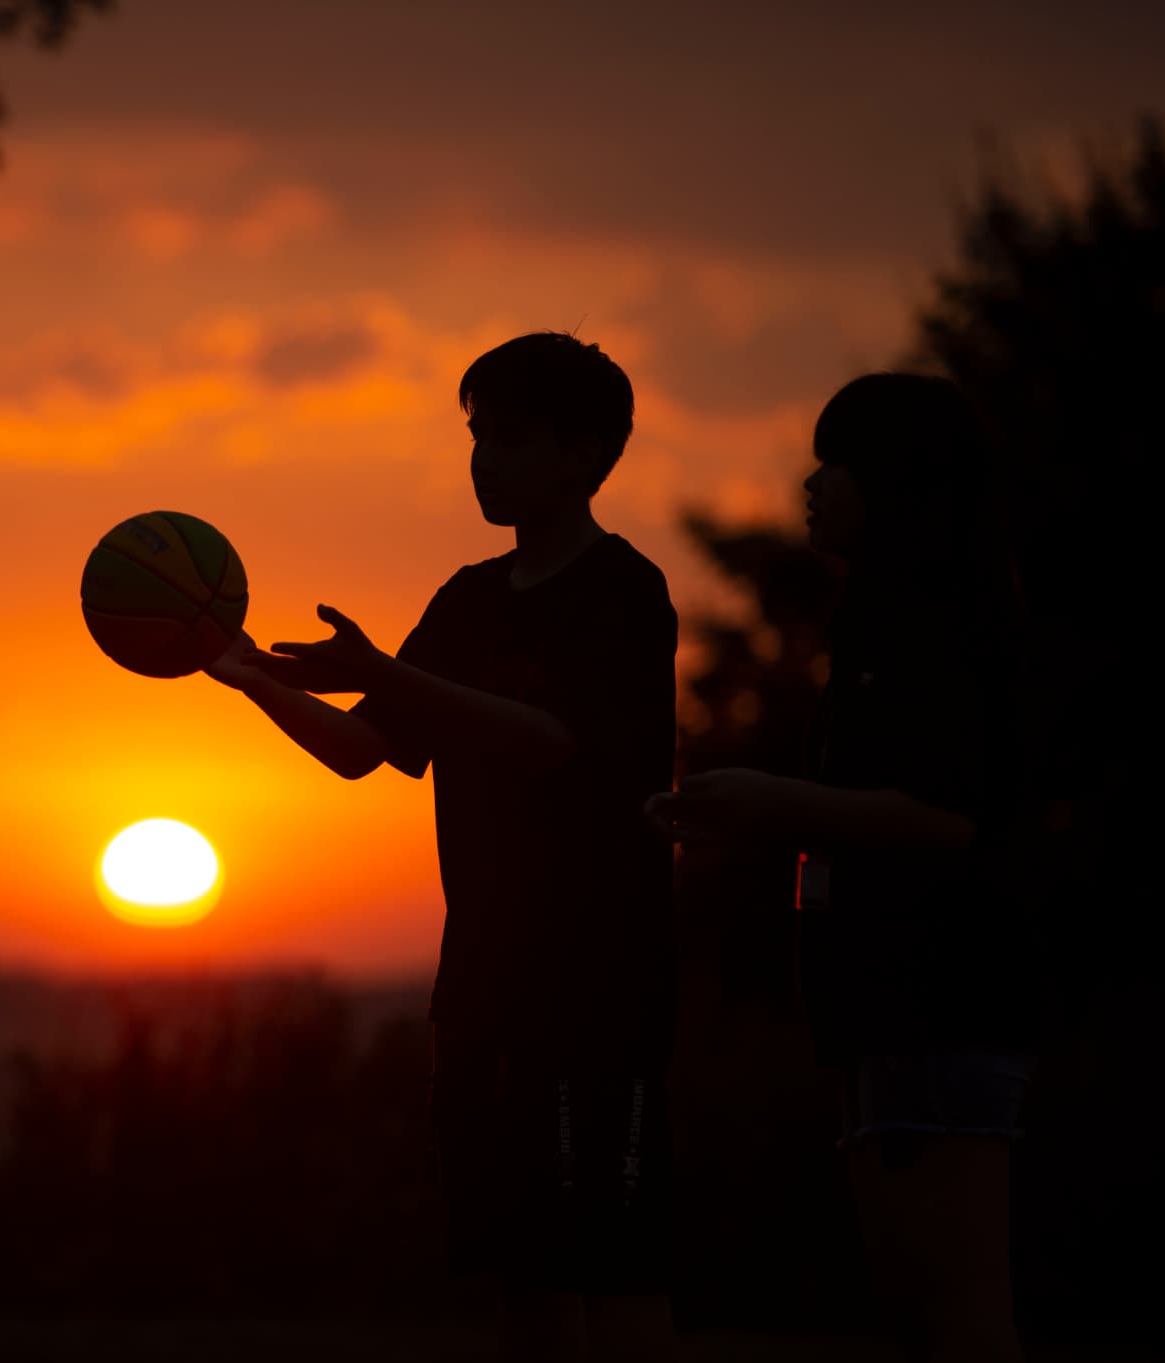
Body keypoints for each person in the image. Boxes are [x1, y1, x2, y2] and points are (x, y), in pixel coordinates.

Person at [207, 332, 678, 1361]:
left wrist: (381, 669)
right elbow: (363, 748)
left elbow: (551, 740)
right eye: (475, 437)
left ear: (587, 455)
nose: (483, 460)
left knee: (611, 1259)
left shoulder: (621, 592)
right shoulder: (465, 601)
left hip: (597, 982)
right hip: (482, 982)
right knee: (513, 1262)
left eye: (509, 438)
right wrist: (251, 677)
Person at [648, 373, 1034, 1363]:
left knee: (957, 1314)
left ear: (897, 484)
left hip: (935, 999)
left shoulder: (931, 630)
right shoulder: (874, 624)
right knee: (913, 1314)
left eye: (836, 462)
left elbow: (949, 819)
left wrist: (770, 805)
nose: (810, 484)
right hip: (876, 1010)